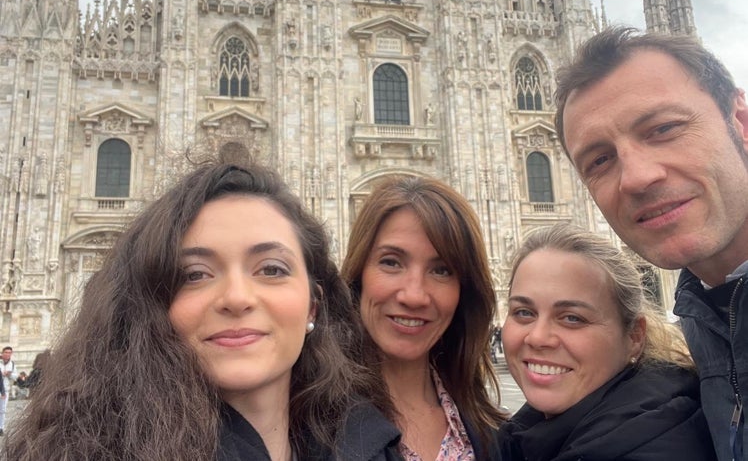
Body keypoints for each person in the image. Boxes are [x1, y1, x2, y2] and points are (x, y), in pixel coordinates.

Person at [4, 163, 401, 460]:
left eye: (272, 269)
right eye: (195, 274)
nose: (236, 297)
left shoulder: (372, 445)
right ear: (152, 303)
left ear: (313, 304)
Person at [554, 26, 748, 461]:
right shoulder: (700, 328)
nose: (638, 177)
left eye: (663, 128)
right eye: (600, 159)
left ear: (741, 123)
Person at [500, 223, 716, 460]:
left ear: (634, 336)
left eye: (572, 318)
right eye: (523, 312)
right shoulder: (532, 432)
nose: (538, 337)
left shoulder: (652, 445)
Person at [342, 175, 508, 460]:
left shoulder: (491, 430)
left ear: (463, 292)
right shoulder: (306, 421)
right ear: (359, 274)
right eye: (391, 262)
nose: (414, 295)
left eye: (441, 270)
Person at [0, 346, 16, 435]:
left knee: (2, 410)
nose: (7, 354)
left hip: (5, 389)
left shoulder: (12, 364)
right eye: (6, 352)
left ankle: (1, 428)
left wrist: (9, 374)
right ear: (2, 353)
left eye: (9, 353)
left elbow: (15, 376)